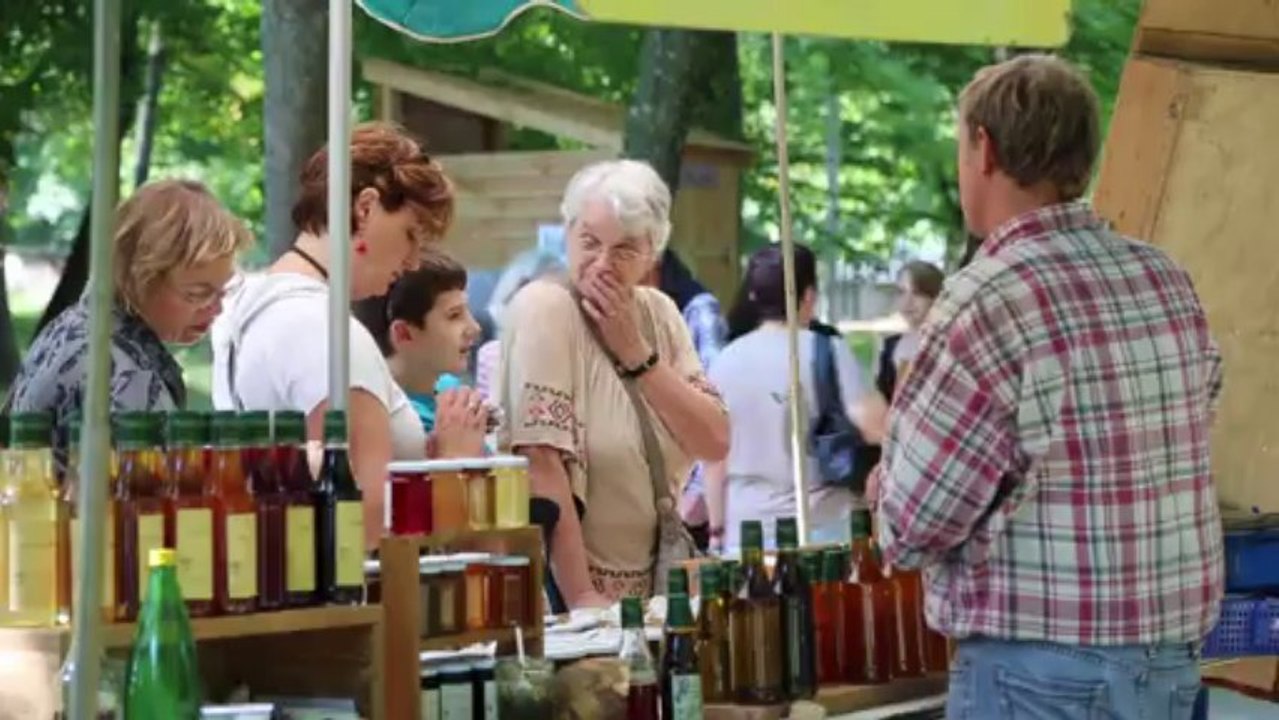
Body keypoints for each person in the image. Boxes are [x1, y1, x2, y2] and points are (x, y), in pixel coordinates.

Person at [873, 55, 1223, 719]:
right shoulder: (1161, 278)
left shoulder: (989, 295)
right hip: (1170, 663)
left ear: (984, 148)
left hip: (1038, 668)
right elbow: (1193, 408)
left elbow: (914, 523)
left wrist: (887, 485)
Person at [211, 122, 488, 549]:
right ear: (365, 209)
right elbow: (365, 522)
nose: (414, 261)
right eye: (411, 234)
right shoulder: (325, 331)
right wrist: (456, 463)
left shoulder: (250, 310)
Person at [499, 159, 730, 606]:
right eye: (589, 242)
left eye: (624, 250)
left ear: (652, 255)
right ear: (566, 235)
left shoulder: (660, 313)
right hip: (577, 597)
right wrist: (582, 594)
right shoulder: (543, 309)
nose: (602, 264)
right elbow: (540, 460)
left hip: (658, 589)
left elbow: (715, 440)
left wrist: (639, 357)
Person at [9, 179, 251, 460]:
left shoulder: (71, 326)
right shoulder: (126, 375)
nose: (216, 308)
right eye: (197, 294)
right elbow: (148, 494)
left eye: (224, 291)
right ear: (140, 277)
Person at [704, 244, 887, 552]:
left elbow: (714, 458)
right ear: (808, 296)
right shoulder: (827, 350)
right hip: (823, 528)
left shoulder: (725, 361)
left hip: (747, 531)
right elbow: (877, 426)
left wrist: (716, 530)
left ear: (754, 296)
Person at [351, 250, 485, 436]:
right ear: (404, 334)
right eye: (454, 315)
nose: (475, 328)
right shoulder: (385, 420)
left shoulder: (451, 390)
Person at [875, 260, 944, 401]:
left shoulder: (947, 346)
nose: (907, 302)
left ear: (936, 297)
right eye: (901, 292)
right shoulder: (890, 346)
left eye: (917, 293)